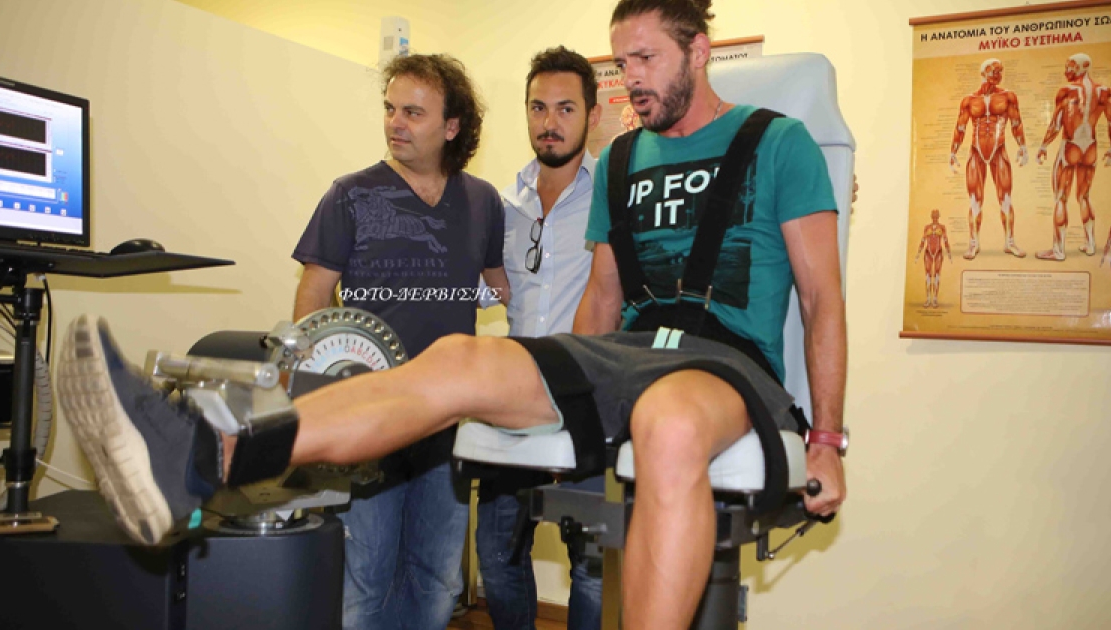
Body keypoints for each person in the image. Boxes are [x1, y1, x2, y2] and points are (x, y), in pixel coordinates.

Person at [54, 2, 847, 629]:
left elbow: (821, 300)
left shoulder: (777, 143)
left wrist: (827, 441)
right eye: (622, 61)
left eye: (645, 60)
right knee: (456, 361)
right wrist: (573, 395)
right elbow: (604, 298)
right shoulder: (625, 161)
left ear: (698, 51)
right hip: (625, 353)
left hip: (723, 357)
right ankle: (206, 456)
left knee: (668, 422)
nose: (629, 79)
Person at [291, 53, 509, 630]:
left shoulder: (483, 201)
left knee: (438, 577)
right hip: (371, 413)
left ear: (452, 126)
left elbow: (500, 286)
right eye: (390, 109)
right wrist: (313, 394)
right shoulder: (350, 194)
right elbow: (313, 295)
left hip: (448, 415)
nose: (395, 123)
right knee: (367, 573)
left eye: (413, 112)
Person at [476, 47, 603, 630]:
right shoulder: (503, 204)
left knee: (592, 565)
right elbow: (487, 291)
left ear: (592, 116)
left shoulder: (614, 197)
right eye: (538, 107)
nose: (550, 122)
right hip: (514, 401)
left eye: (565, 108)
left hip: (590, 400)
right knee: (496, 554)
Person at [1035, 53, 1111, 261]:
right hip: (1090, 147)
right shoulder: (1104, 91)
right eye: (1067, 65)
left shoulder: (1067, 90)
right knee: (1084, 196)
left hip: (1070, 146)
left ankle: (1058, 251)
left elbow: (1056, 124)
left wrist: (1044, 145)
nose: (1067, 70)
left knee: (1060, 197)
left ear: (1085, 66)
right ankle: (1090, 244)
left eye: (1072, 66)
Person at [949, 58, 1029, 260]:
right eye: (994, 71)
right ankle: (973, 243)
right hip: (976, 152)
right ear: (983, 72)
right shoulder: (969, 100)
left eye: (1000, 71)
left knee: (1006, 198)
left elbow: (1016, 123)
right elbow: (960, 127)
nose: (998, 75)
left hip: (999, 151)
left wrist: (1022, 147)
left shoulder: (1008, 96)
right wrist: (953, 152)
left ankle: (1009, 242)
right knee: (975, 201)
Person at [914, 209, 952, 308]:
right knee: (928, 275)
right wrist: (918, 253)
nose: (935, 217)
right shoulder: (927, 227)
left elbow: (945, 240)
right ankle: (928, 299)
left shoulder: (942, 227)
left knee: (937, 275)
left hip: (938, 252)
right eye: (933, 215)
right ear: (931, 216)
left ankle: (934, 298)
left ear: (938, 216)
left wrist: (949, 253)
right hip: (928, 252)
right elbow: (923, 240)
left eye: (936, 215)